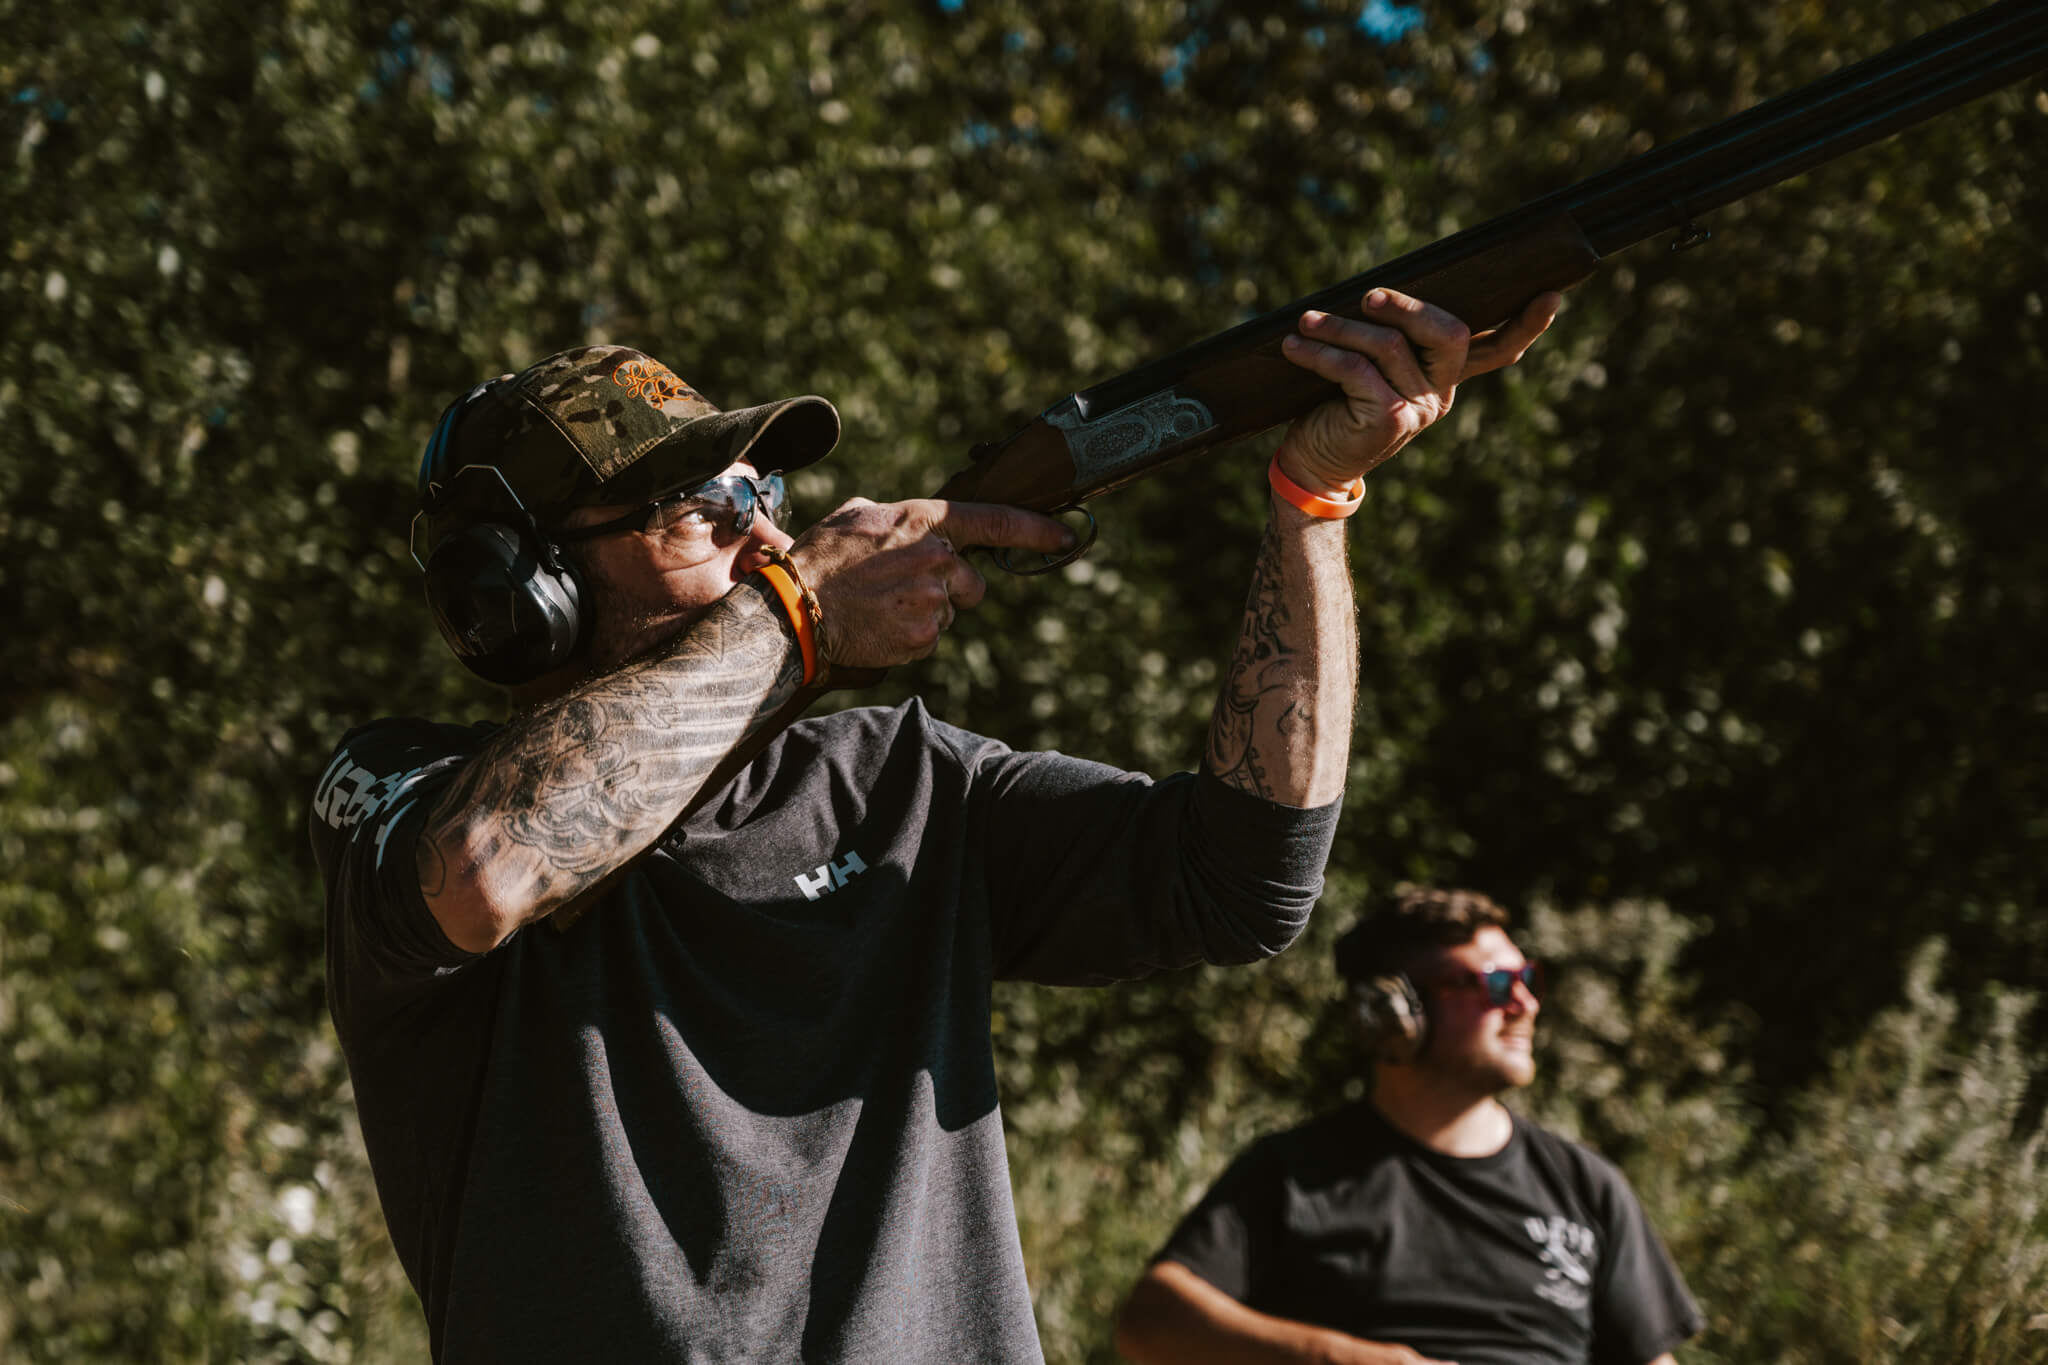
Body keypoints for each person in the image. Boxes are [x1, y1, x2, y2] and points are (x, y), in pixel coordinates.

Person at [308, 291, 1559, 1363]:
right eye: (696, 509)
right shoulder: (398, 789)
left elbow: (1242, 878)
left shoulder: (899, 779)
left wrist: (1310, 499)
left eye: (764, 490)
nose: (765, 534)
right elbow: (489, 870)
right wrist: (801, 621)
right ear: (518, 592)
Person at [1115, 886, 1702, 1365]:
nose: (1524, 1003)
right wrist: (1345, 1359)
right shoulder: (1294, 1173)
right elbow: (1151, 1322)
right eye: (1494, 984)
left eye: (1529, 980)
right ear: (1393, 1012)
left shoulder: (1586, 1186)